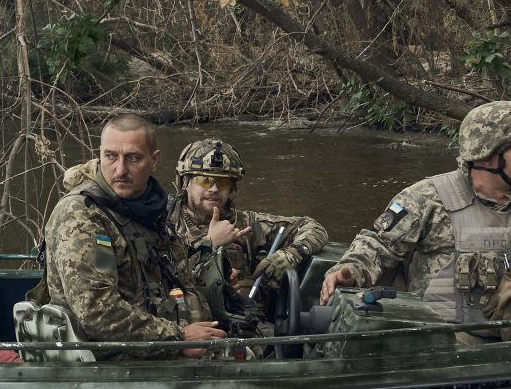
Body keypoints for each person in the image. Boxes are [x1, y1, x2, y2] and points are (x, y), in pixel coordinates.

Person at [320, 101, 511, 334]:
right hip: (448, 355)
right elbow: (377, 245)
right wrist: (349, 270)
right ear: (487, 156)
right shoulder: (426, 199)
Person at [42, 114, 227, 356]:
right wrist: (178, 339)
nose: (120, 170)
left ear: (154, 160)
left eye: (133, 158)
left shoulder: (148, 208)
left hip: (160, 344)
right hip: (117, 360)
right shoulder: (80, 214)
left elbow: (171, 277)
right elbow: (96, 313)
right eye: (111, 156)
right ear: (100, 154)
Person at [166, 138, 327, 324]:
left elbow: (312, 227)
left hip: (244, 324)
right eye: (204, 180)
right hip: (186, 326)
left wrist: (293, 254)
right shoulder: (163, 226)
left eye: (223, 182)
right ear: (185, 182)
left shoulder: (246, 224)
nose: (214, 189)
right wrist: (210, 244)